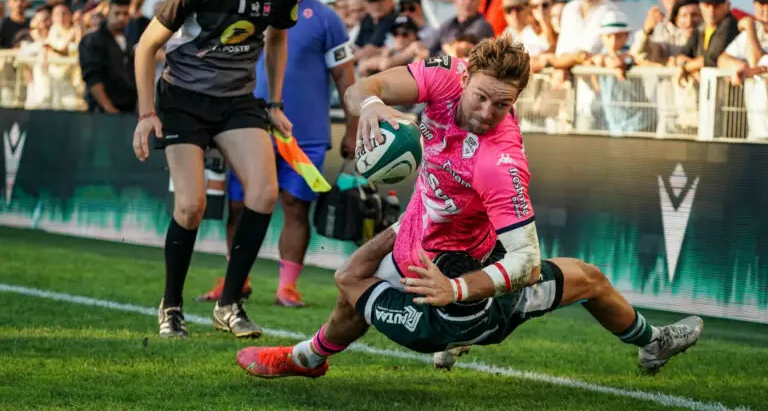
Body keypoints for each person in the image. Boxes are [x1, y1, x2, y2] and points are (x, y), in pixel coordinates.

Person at [236, 37, 704, 378]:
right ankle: (310, 358)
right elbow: (360, 88)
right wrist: (372, 104)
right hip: (422, 223)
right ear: (464, 78)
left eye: (503, 104)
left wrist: (457, 288)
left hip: (466, 260)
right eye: (481, 97)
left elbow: (525, 261)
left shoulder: (500, 161)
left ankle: (651, 342)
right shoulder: (443, 74)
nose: (486, 112)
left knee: (583, 281)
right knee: (349, 287)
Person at [132, 0, 298, 339]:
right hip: (183, 100)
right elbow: (145, 47)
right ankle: (171, 305)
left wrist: (274, 102)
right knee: (191, 206)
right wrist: (146, 114)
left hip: (237, 101)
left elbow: (277, 39)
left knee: (264, 193)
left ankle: (229, 304)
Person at [197, 0, 358, 308]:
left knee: (295, 205)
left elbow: (346, 80)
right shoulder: (248, 12)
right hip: (247, 129)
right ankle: (237, 279)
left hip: (306, 136)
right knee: (239, 206)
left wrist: (352, 129)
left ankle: (288, 286)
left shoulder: (325, 18)